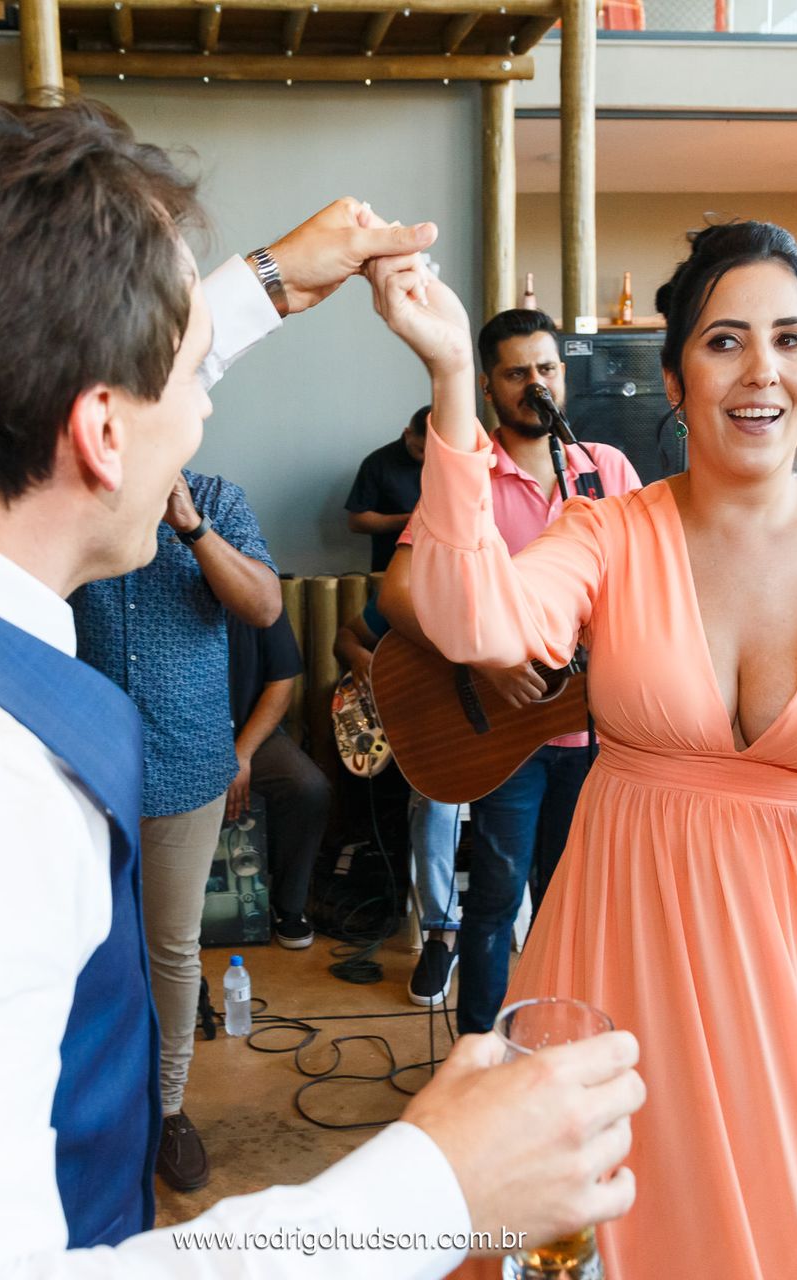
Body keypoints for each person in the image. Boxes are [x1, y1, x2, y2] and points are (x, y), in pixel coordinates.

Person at [0, 96, 644, 1280]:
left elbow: (49, 364)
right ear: (102, 430)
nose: (202, 400)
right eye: (185, 373)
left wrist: (259, 283)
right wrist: (434, 1190)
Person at [371, 219, 797, 1279]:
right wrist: (450, 375)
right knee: (597, 1226)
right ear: (674, 375)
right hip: (619, 943)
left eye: (791, 339)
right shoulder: (607, 531)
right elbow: (469, 616)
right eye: (725, 341)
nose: (762, 370)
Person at [380, 307, 643, 1038]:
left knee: (576, 906)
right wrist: (482, 659)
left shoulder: (606, 470)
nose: (537, 383)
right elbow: (397, 594)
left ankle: (554, 1056)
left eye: (548, 368)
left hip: (595, 734)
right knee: (495, 903)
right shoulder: (468, 478)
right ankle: (479, 1066)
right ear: (491, 387)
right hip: (509, 738)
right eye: (518, 372)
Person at [73, 464, 283, 1191]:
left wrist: (191, 527)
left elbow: (262, 606)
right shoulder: (65, 489)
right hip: (80, 762)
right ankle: (87, 1106)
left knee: (170, 946)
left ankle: (166, 1110)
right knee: (79, 940)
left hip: (185, 760)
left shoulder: (221, 497)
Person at [336, 600, 464, 1005]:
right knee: (433, 801)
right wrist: (361, 658)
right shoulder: (411, 596)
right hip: (432, 738)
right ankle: (442, 935)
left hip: (504, 741)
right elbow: (346, 636)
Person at [226, 605, 330, 948]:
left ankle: (289, 907)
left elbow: (281, 683)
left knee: (308, 788)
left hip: (251, 733)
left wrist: (241, 754)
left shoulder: (256, 587)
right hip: (181, 737)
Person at [345, 405, 431, 570]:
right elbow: (356, 521)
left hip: (441, 567)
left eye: (433, 451)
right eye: (421, 450)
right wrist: (412, 520)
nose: (427, 458)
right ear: (408, 434)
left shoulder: (449, 460)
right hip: (391, 565)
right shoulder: (377, 463)